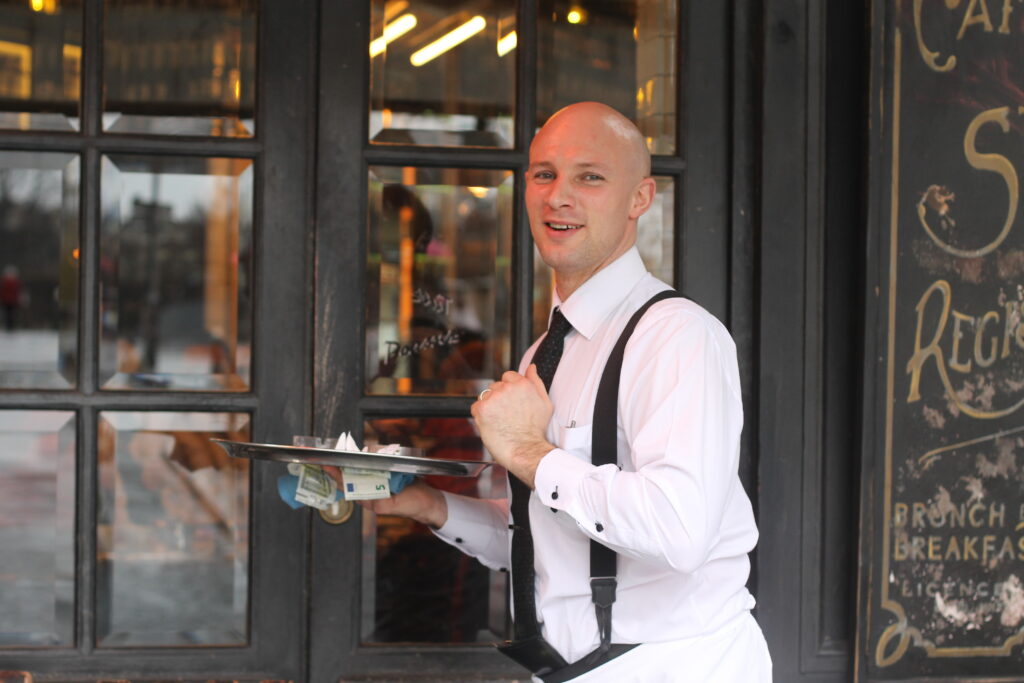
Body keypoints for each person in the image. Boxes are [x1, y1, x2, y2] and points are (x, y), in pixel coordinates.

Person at [336, 102, 771, 682]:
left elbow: (677, 530)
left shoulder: (679, 337)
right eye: (544, 174)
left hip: (677, 666)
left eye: (589, 176)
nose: (558, 195)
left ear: (640, 198)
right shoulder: (547, 350)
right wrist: (427, 505)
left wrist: (528, 452)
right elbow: (546, 531)